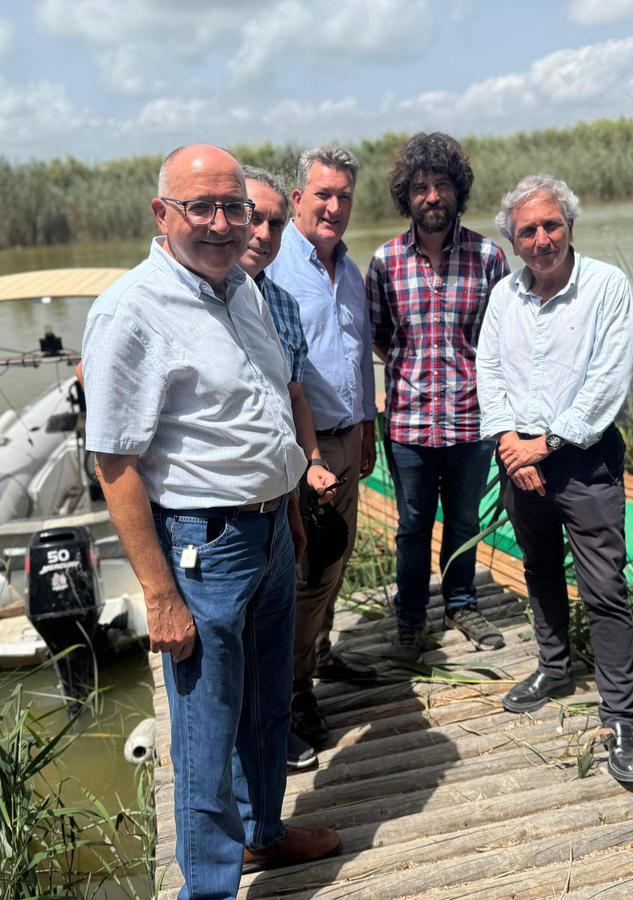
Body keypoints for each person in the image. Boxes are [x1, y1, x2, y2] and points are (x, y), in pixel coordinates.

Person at [82, 144, 341, 900]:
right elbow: (116, 464)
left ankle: (264, 833)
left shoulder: (241, 291)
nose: (225, 224)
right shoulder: (133, 310)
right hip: (204, 549)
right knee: (205, 733)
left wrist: (288, 508)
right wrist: (158, 593)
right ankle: (210, 889)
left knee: (267, 705)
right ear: (163, 215)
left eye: (237, 207)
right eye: (204, 207)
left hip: (268, 536)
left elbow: (264, 412)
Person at [475, 174, 633, 787]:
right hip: (518, 457)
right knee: (540, 568)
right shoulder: (503, 296)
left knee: (603, 587)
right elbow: (488, 368)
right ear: (514, 241)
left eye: (552, 225)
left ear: (569, 224)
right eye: (529, 230)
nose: (543, 238)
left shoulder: (606, 286)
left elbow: (607, 381)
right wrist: (508, 446)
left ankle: (622, 717)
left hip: (582, 459)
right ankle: (554, 666)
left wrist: (542, 446)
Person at [367, 132, 510, 661]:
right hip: (407, 423)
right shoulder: (384, 262)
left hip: (472, 421)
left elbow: (502, 339)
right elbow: (380, 336)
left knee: (465, 520)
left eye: (441, 185)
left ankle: (462, 602)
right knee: (411, 527)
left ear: (458, 191)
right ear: (407, 196)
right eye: (421, 187)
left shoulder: (490, 258)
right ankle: (409, 618)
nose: (432, 197)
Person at [267, 145, 378, 751]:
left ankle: (322, 652)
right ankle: (294, 687)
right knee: (308, 573)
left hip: (347, 438)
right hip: (302, 451)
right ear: (298, 200)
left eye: (344, 198)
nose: (334, 208)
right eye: (324, 195)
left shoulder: (351, 271)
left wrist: (368, 425)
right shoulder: (275, 267)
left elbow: (358, 356)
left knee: (337, 559)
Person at [239, 164, 340, 769]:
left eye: (275, 222)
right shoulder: (185, 294)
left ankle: (276, 728)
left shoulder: (278, 301)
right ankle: (251, 754)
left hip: (279, 495)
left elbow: (296, 395)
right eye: (254, 215)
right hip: (214, 514)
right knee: (233, 636)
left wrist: (314, 464)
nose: (264, 231)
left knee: (276, 617)